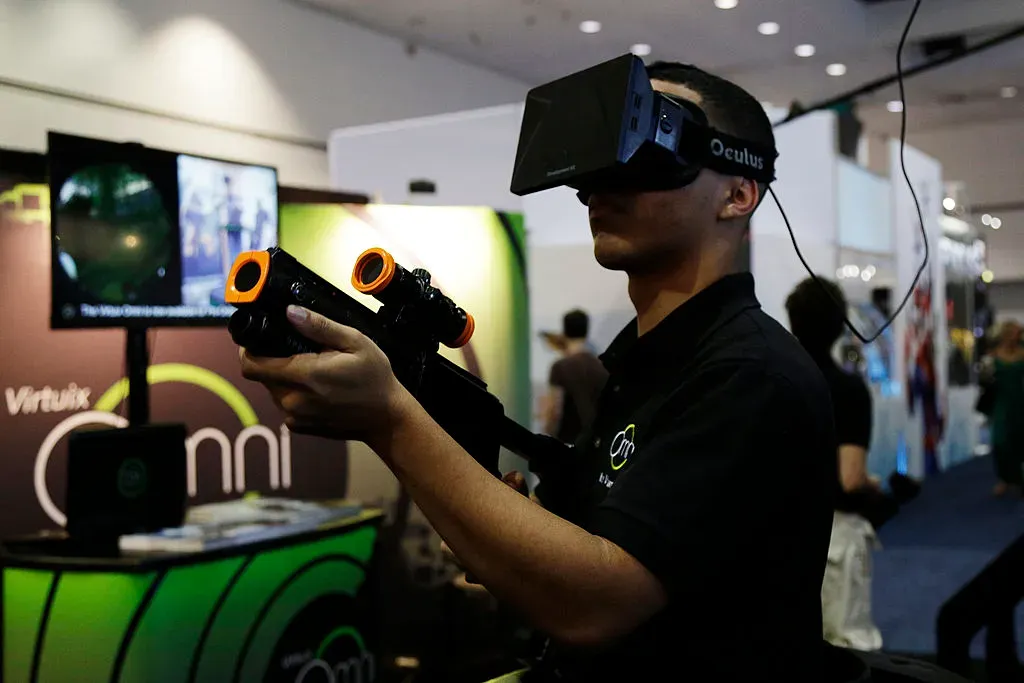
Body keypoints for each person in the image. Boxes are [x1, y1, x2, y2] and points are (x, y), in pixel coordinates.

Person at [238, 61, 836, 681]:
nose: (600, 183)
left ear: (739, 194)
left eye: (652, 143)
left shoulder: (750, 375)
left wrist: (390, 420)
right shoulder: (645, 366)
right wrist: (508, 530)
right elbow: (593, 555)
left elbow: (597, 603)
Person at [785, 277, 899, 530]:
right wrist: (872, 483)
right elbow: (850, 479)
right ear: (840, 325)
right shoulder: (849, 390)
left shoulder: (773, 382)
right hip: (831, 530)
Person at [539, 309, 609, 444]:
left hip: (567, 444)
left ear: (565, 331)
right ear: (586, 331)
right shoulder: (600, 366)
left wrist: (548, 433)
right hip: (594, 443)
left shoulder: (560, 367)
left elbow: (554, 411)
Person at [983, 320, 1024, 496]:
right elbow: (985, 379)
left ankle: (1018, 479)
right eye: (1014, 333)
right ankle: (1004, 478)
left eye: (1018, 334)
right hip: (1001, 403)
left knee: (1019, 441)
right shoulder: (994, 355)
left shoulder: (1023, 352)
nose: (1017, 337)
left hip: (1020, 402)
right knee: (1000, 441)